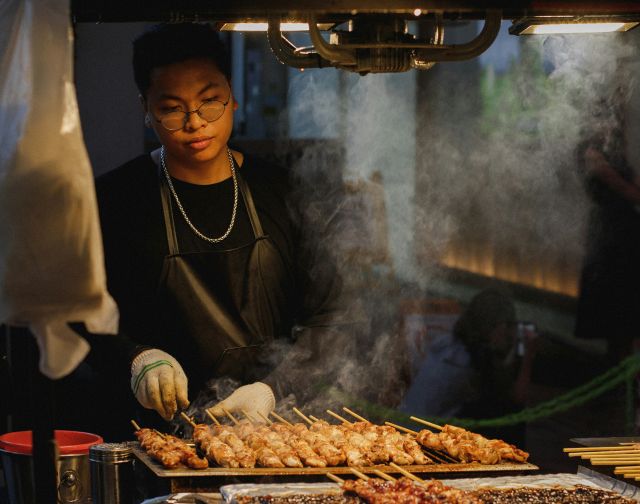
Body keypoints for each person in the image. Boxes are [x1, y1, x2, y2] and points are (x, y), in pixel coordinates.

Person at [89, 23, 353, 439]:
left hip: (271, 434)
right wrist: (136, 358)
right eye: (172, 108)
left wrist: (271, 389)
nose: (195, 123)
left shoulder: (286, 192)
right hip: (149, 438)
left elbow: (332, 319)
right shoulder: (114, 199)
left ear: (231, 96)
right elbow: (79, 315)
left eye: (209, 101)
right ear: (145, 107)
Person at [400, 288, 538, 445]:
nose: (511, 334)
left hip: (404, 425)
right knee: (508, 418)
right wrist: (528, 356)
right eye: (509, 326)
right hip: (421, 438)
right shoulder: (470, 363)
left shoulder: (447, 344)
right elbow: (517, 399)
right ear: (497, 327)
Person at [574, 97, 640, 364]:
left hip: (625, 233)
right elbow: (626, 189)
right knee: (616, 313)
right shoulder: (590, 152)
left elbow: (633, 184)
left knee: (626, 312)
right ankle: (618, 380)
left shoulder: (612, 151)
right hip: (610, 236)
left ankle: (624, 378)